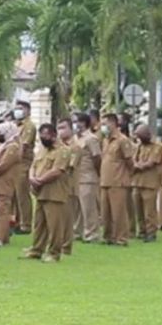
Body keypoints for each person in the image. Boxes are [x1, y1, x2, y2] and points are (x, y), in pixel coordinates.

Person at [22, 124, 71, 263]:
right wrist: (32, 178)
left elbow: (57, 170)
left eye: (46, 135)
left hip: (54, 192)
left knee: (54, 225)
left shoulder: (63, 151)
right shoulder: (42, 150)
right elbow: (33, 165)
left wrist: (40, 180)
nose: (43, 138)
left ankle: (54, 253)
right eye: (41, 136)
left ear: (54, 135)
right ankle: (36, 249)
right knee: (39, 223)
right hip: (40, 192)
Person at [99, 114, 134, 246]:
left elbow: (129, 161)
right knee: (105, 211)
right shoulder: (106, 140)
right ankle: (108, 236)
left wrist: (127, 175)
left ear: (113, 123)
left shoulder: (122, 140)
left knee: (118, 211)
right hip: (105, 181)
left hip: (118, 181)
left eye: (105, 123)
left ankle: (121, 238)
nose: (103, 127)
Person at [130, 124, 162, 243]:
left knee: (150, 210)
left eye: (141, 135)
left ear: (148, 134)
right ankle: (142, 231)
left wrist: (138, 165)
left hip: (150, 183)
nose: (139, 138)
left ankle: (151, 232)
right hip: (137, 182)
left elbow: (151, 163)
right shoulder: (138, 147)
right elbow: (132, 160)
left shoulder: (157, 147)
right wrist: (135, 164)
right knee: (138, 209)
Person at [74, 113, 102, 242]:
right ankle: (78, 231)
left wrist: (96, 172)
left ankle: (92, 233)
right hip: (78, 176)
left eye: (77, 122)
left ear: (83, 123)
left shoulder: (91, 138)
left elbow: (96, 157)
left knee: (89, 207)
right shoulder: (77, 138)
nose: (75, 125)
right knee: (78, 207)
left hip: (88, 176)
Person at [57, 119, 80, 255]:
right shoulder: (59, 146)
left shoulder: (75, 147)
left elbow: (69, 166)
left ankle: (66, 246)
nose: (61, 131)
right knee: (58, 217)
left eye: (64, 128)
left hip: (69, 186)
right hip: (58, 187)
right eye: (59, 128)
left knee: (67, 218)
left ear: (71, 129)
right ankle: (57, 243)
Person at [13, 101, 35, 233]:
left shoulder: (29, 126)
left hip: (23, 162)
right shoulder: (17, 125)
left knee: (22, 194)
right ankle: (17, 221)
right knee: (15, 195)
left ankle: (26, 224)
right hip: (15, 163)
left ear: (28, 110)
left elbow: (24, 145)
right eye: (16, 108)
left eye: (21, 108)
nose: (18, 111)